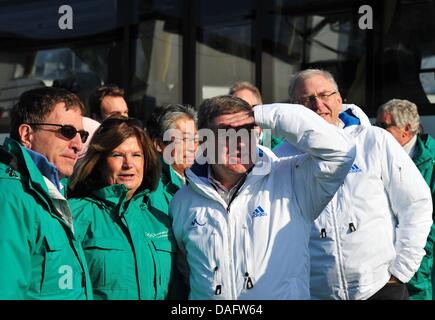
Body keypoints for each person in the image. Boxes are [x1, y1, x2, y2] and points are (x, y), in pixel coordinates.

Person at [169, 95, 356, 299]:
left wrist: (259, 113)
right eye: (226, 134)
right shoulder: (183, 200)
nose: (239, 143)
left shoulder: (292, 180)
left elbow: (342, 152)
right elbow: (188, 272)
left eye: (246, 132)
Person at [283, 69, 432, 300]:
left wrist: (401, 270)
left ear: (339, 99)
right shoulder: (281, 158)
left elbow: (416, 204)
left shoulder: (374, 141)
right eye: (306, 99)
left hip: (381, 288)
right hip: (316, 293)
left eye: (324, 95)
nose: (318, 104)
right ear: (293, 107)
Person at [68, 116, 185, 300]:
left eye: (136, 155)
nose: (128, 164)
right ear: (99, 161)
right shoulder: (76, 214)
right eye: (117, 155)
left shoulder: (162, 215)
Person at [0, 87, 92, 299]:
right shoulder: (10, 196)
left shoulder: (51, 191)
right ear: (27, 134)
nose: (78, 145)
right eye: (67, 132)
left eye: (82, 135)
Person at [376, 98, 435, 300]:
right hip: (384, 262)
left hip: (417, 264)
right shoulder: (378, 154)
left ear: (407, 129)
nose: (377, 131)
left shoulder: (432, 160)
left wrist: (415, 262)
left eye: (383, 126)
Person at [146, 104, 198, 194]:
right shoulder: (150, 189)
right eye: (185, 139)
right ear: (159, 144)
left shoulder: (201, 182)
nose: (192, 147)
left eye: (195, 139)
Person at [229, 81, 283, 150]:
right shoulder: (225, 146)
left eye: (248, 107)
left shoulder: (279, 145)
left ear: (260, 109)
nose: (242, 115)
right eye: (237, 109)